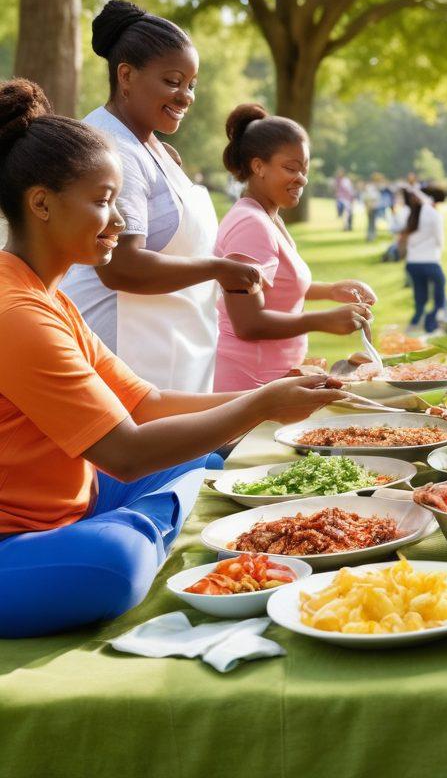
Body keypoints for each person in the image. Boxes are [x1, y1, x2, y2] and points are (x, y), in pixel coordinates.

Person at [0, 80, 346, 638]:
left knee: (198, 461)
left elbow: (147, 401)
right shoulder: (15, 312)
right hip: (16, 540)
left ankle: (139, 522)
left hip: (73, 501)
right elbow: (128, 453)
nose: (118, 222)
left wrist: (281, 394)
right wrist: (261, 404)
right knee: (115, 565)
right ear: (41, 203)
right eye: (103, 201)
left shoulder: (48, 296)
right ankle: (135, 530)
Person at [61, 0, 261, 393]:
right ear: (127, 76)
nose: (186, 96)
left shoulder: (157, 149)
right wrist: (217, 269)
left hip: (171, 354)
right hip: (127, 354)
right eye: (172, 81)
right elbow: (120, 266)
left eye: (191, 85)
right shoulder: (110, 148)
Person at [212, 106, 377, 392]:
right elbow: (247, 322)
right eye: (291, 168)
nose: (302, 179)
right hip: (249, 386)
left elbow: (272, 286)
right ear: (258, 166)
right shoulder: (251, 224)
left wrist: (330, 290)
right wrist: (322, 320)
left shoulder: (268, 218)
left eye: (304, 170)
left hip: (273, 381)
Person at [400, 185, 447, 334]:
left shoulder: (411, 215)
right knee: (439, 296)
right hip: (431, 262)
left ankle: (415, 323)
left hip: (412, 263)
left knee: (420, 297)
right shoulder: (433, 215)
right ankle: (431, 324)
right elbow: (440, 241)